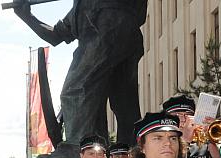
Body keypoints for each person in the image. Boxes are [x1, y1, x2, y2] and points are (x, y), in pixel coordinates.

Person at [13, 0, 146, 145]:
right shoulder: (79, 9)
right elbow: (55, 36)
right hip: (124, 35)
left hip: (109, 32)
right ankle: (130, 151)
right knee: (122, 103)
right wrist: (27, 16)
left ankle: (78, 149)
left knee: (75, 92)